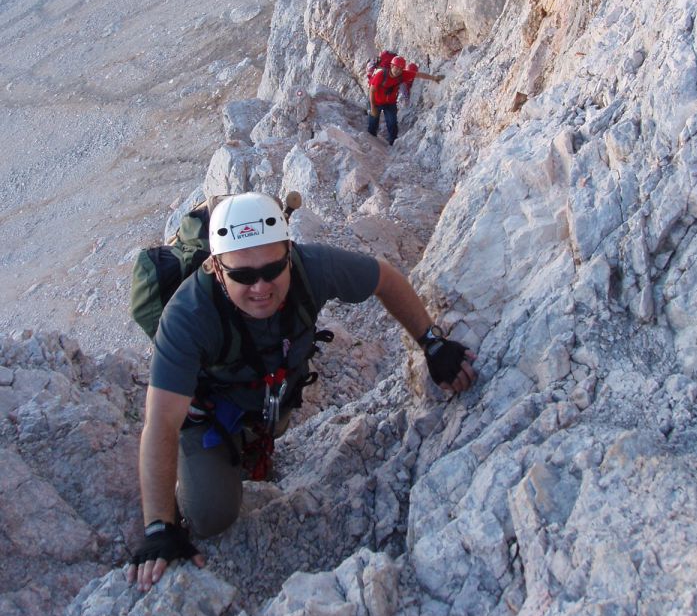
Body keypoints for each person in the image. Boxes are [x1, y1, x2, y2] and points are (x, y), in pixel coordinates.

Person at [128, 192, 475, 592]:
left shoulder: (312, 267)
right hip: (212, 416)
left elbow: (385, 279)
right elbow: (161, 422)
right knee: (211, 517)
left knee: (270, 431)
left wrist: (431, 342)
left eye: (273, 268)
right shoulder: (187, 315)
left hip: (273, 401)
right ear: (215, 267)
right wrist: (158, 526)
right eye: (242, 275)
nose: (260, 286)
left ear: (289, 252)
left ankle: (253, 449)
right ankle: (189, 484)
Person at [368, 56, 443, 145]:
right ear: (392, 66)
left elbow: (419, 75)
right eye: (396, 68)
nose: (398, 71)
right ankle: (371, 138)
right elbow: (372, 91)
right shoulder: (381, 75)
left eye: (401, 69)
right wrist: (373, 108)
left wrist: (434, 78)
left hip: (390, 103)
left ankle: (392, 143)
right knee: (373, 120)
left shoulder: (403, 74)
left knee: (392, 123)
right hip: (377, 102)